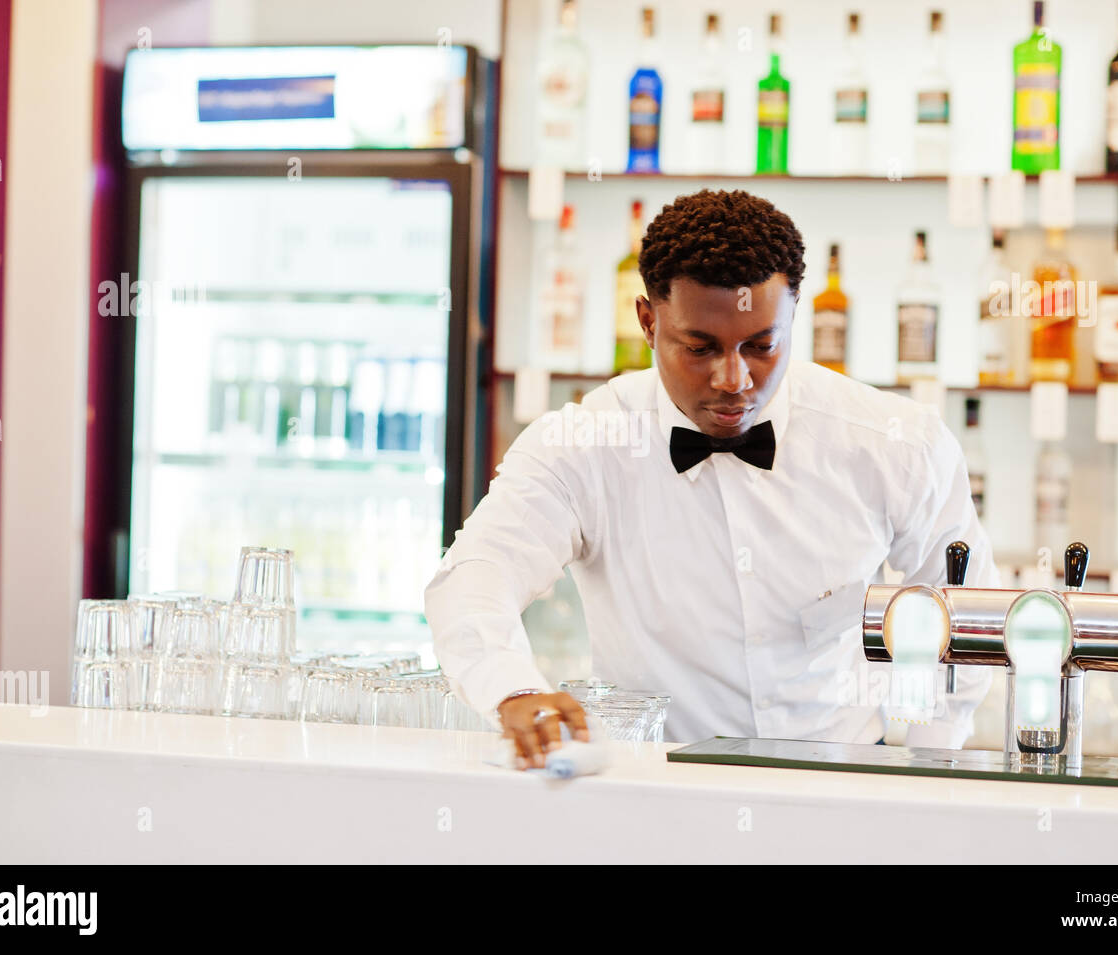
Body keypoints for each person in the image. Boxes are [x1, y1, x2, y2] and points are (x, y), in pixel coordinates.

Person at [425, 189, 996, 769]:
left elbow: (963, 609)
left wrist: (932, 764)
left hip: (844, 777)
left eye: (761, 346)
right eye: (700, 348)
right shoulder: (583, 445)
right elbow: (476, 573)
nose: (733, 379)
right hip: (655, 788)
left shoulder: (893, 442)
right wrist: (512, 687)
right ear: (648, 321)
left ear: (795, 309)